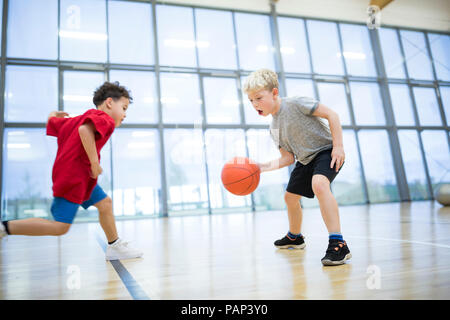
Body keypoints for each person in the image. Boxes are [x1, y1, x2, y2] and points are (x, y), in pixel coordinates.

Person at [0, 81, 143, 261]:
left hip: (80, 178)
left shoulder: (78, 118)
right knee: (60, 226)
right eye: (123, 108)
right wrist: (94, 164)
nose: (124, 115)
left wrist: (52, 115)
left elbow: (53, 123)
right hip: (74, 178)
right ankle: (5, 228)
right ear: (109, 103)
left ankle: (114, 245)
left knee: (105, 203)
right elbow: (85, 131)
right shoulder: (105, 119)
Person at [243, 69, 351, 266]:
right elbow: (287, 158)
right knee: (290, 197)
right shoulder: (273, 127)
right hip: (304, 159)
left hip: (326, 150)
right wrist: (260, 167)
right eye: (251, 101)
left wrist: (338, 146)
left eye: (258, 98)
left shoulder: (296, 103)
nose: (255, 104)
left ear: (274, 93)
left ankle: (338, 243)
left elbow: (332, 115)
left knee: (319, 184)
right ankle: (295, 237)